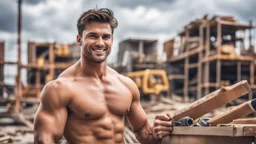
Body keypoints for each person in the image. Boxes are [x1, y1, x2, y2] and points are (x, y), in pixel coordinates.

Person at [34, 8, 173, 144]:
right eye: (93, 36)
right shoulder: (60, 88)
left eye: (106, 37)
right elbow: (44, 139)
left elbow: (142, 132)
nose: (100, 43)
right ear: (79, 40)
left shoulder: (126, 85)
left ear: (112, 40)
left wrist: (157, 132)